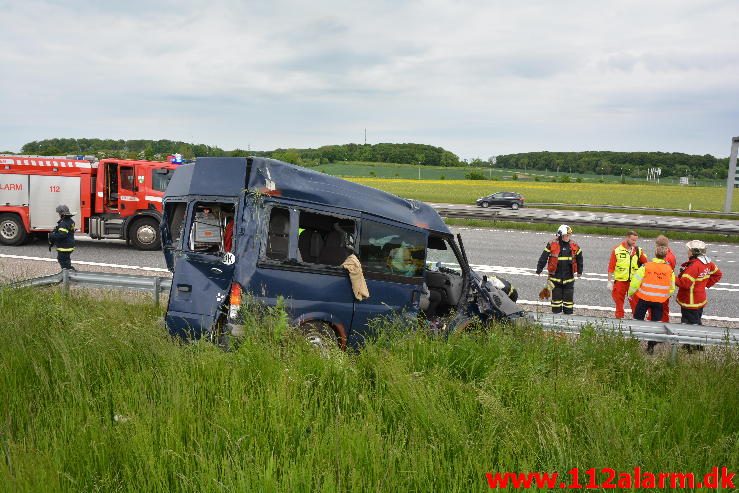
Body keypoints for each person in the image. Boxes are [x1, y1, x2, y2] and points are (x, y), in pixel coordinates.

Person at [628, 245, 676, 354]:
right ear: (665, 256)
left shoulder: (646, 266)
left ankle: (634, 341)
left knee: (637, 320)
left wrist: (630, 293)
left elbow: (635, 282)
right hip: (659, 302)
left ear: (655, 254)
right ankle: (650, 347)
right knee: (655, 324)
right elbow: (672, 287)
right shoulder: (669, 270)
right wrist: (664, 296)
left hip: (644, 298)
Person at [536, 224, 583, 314]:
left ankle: (568, 317)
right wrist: (539, 269)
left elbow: (580, 258)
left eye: (569, 235)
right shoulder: (552, 244)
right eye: (566, 235)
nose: (568, 237)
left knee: (568, 302)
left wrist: (580, 271)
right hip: (555, 280)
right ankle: (556, 318)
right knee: (556, 302)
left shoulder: (574, 245)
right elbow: (543, 257)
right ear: (560, 235)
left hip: (569, 280)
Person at [676, 240, 722, 326]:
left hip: (690, 302)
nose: (687, 251)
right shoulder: (708, 263)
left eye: (689, 250)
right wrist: (704, 284)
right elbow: (717, 274)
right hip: (699, 300)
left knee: (690, 325)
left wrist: (671, 277)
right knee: (696, 319)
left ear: (694, 252)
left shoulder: (694, 266)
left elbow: (684, 284)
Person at [607, 230, 647, 318]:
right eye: (633, 240)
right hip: (620, 281)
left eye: (635, 240)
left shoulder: (638, 250)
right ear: (627, 238)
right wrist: (609, 281)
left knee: (635, 304)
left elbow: (646, 264)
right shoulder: (617, 250)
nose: (634, 242)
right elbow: (611, 267)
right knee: (619, 304)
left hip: (633, 282)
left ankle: (636, 322)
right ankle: (619, 322)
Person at [648, 235, 676, 322]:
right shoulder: (671, 255)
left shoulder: (665, 257)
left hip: (661, 287)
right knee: (664, 308)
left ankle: (660, 323)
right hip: (666, 287)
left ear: (658, 246)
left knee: (659, 308)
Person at [48, 204, 76, 271]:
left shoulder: (63, 223)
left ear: (62, 214)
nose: (59, 215)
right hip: (70, 245)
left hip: (64, 246)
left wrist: (52, 235)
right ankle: (69, 271)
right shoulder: (70, 221)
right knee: (66, 259)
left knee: (62, 260)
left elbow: (62, 235)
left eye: (59, 213)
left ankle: (67, 274)